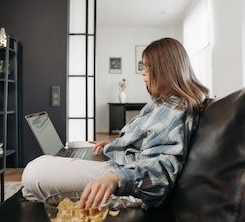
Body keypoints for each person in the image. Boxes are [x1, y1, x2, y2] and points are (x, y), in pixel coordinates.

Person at [21, 37, 209, 210]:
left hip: (128, 183)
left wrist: (116, 179)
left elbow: (164, 169)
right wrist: (112, 147)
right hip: (120, 166)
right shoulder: (161, 103)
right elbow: (143, 143)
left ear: (165, 69)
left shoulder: (176, 108)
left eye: (146, 67)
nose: (142, 72)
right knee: (42, 167)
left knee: (33, 172)